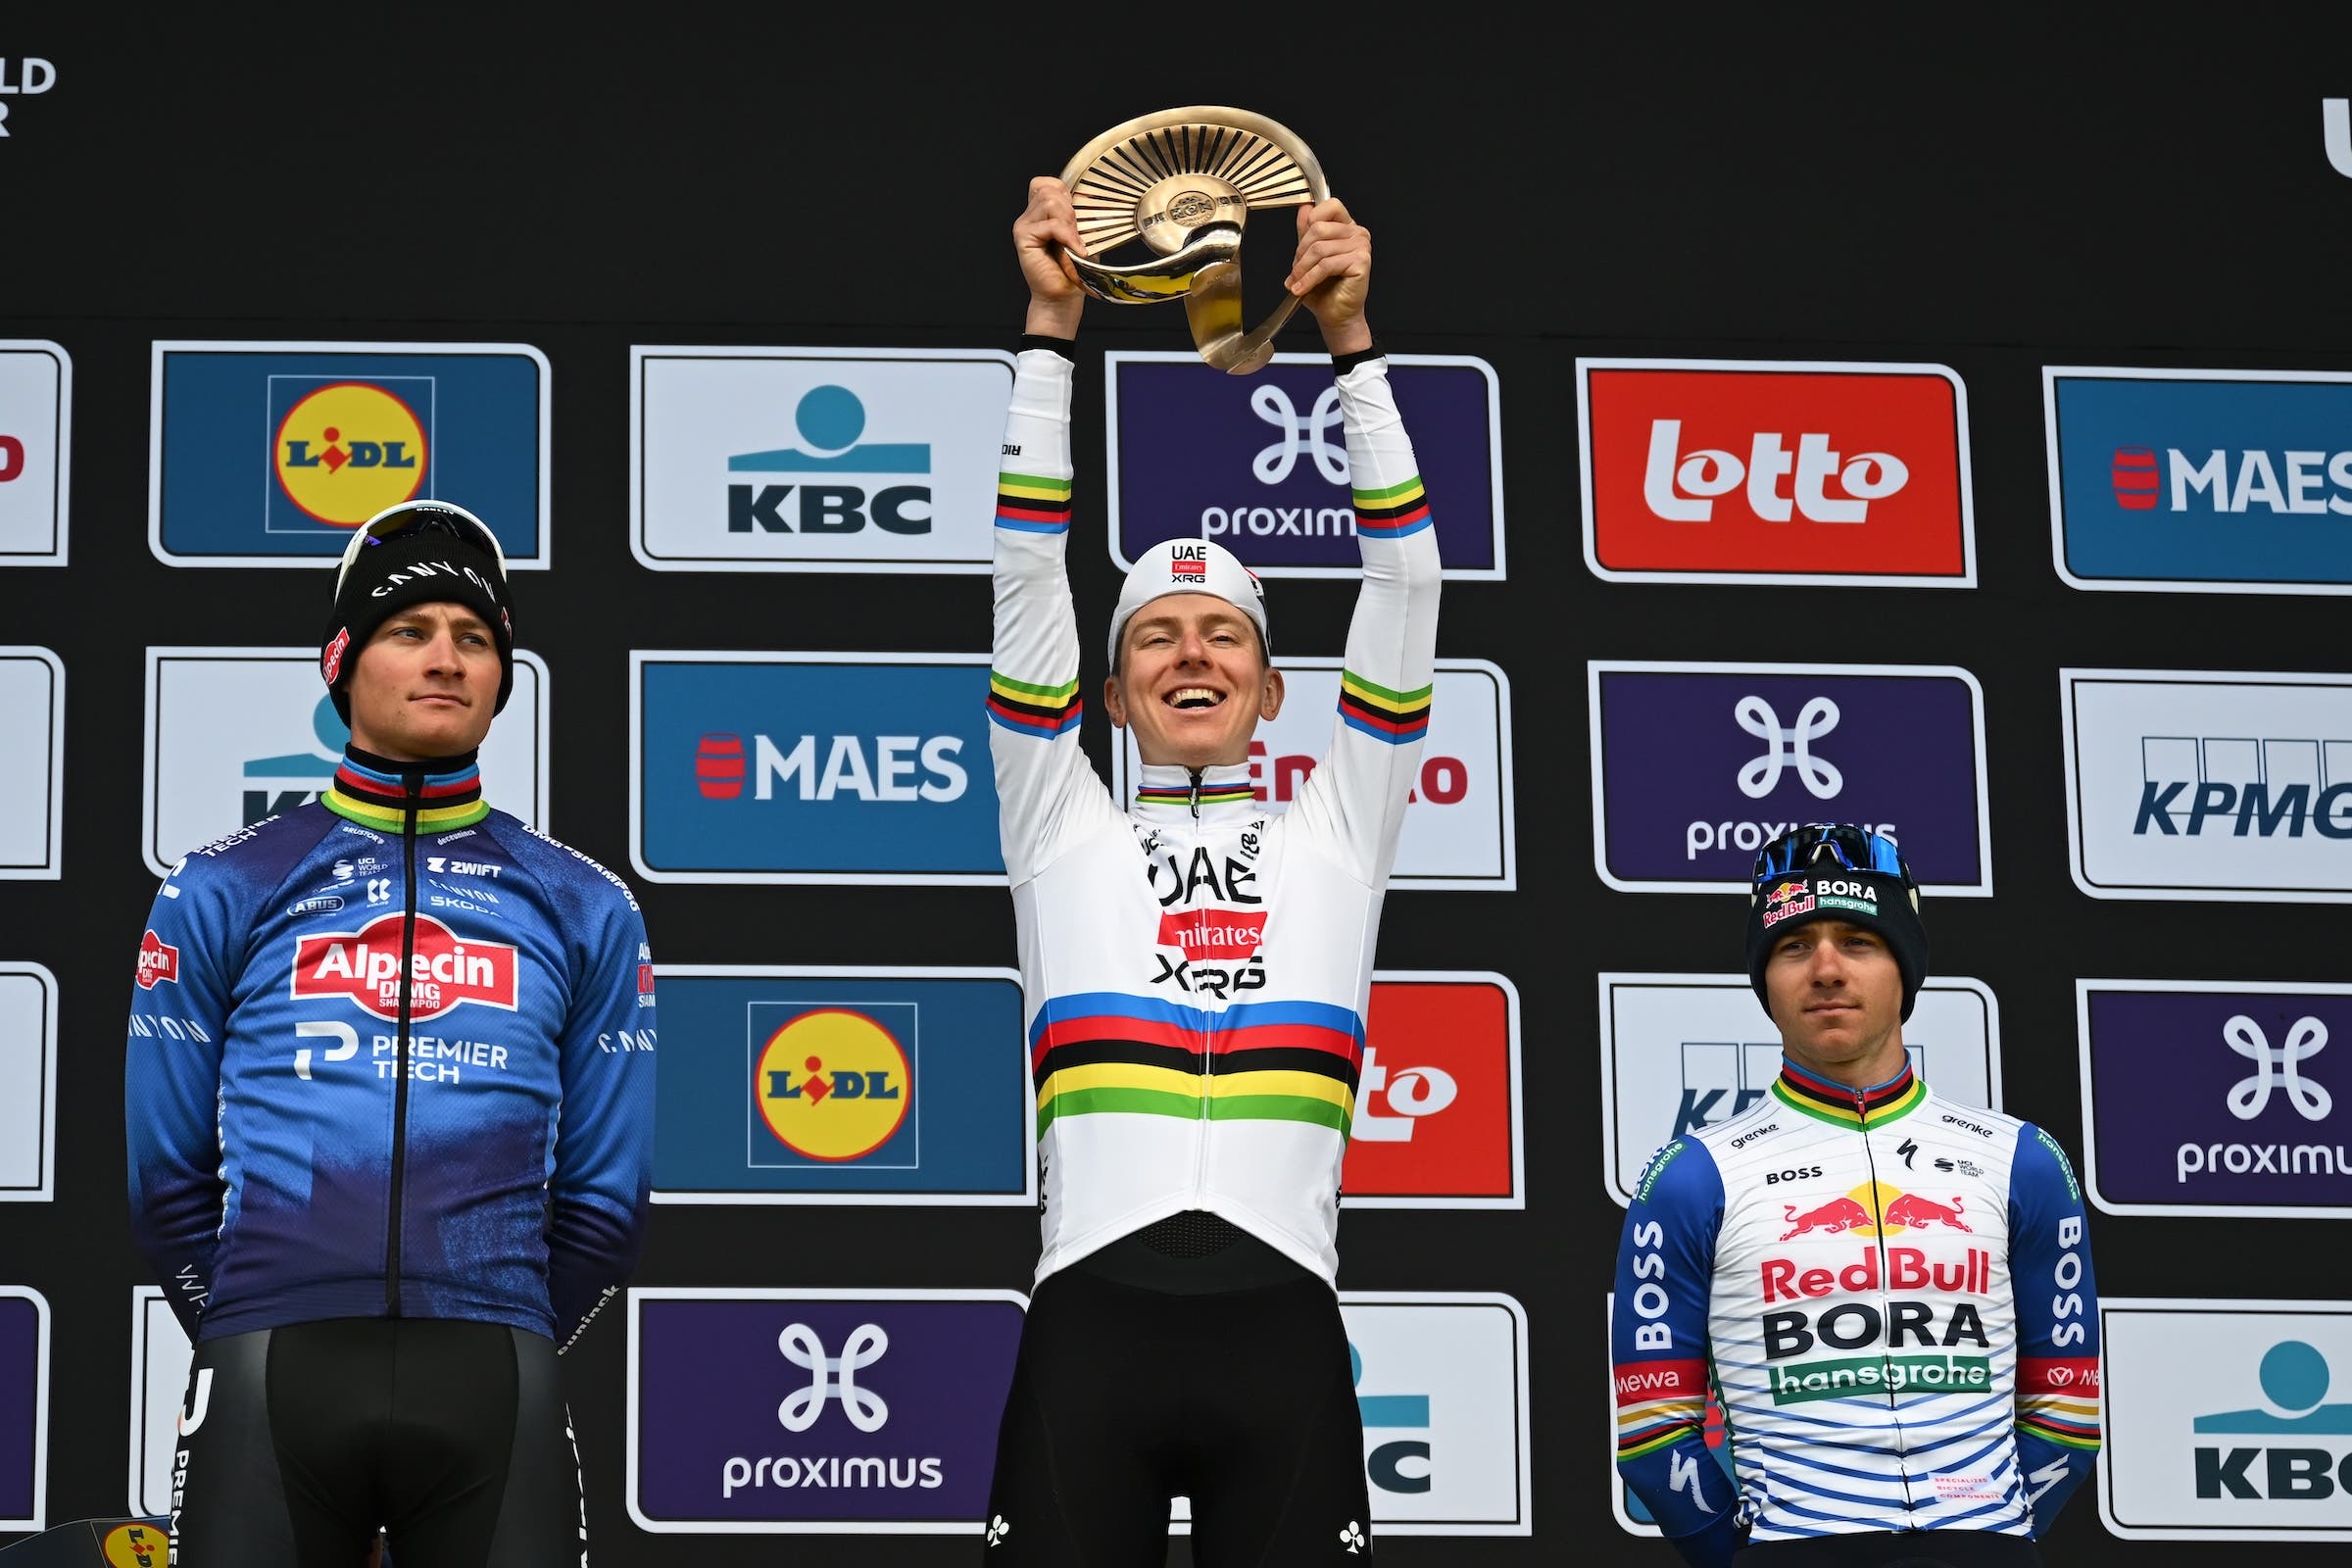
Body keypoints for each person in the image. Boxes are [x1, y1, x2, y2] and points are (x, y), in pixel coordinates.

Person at [978, 175, 1440, 1563]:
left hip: (1282, 1324)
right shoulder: (1059, 821)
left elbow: (1406, 585)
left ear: (1273, 687)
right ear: (1109, 697)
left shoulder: (1341, 829)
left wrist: (1356, 346)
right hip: (1089, 1321)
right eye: (1157, 637)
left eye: (1223, 634)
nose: (1191, 653)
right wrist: (1051, 333)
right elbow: (1024, 576)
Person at [125, 500, 657, 1566]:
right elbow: (164, 1177)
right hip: (273, 1362)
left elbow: (606, 1201)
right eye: (410, 631)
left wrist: (505, 1326)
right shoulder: (223, 882)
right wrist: (241, 1319)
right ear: (343, 662)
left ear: (503, 676)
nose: (447, 659)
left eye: (475, 638)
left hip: (494, 1373)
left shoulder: (586, 903)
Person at [1612, 822, 2102, 1567]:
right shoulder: (1692, 1174)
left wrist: (1991, 1534)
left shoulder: (2021, 1160)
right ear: (1765, 980)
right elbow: (1651, 1436)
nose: (1827, 969)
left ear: (1906, 969)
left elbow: (2066, 1408)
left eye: (1860, 941)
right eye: (1794, 946)